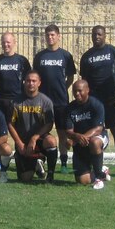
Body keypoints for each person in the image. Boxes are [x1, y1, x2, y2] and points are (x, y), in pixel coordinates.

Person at [79, 25, 115, 177]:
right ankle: (93, 167)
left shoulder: (113, 52)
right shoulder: (86, 56)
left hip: (110, 103)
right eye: (94, 34)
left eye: (99, 34)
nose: (97, 36)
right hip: (94, 105)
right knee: (92, 135)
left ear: (105, 35)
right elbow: (83, 82)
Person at [32, 24, 76, 174]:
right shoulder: (40, 56)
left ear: (58, 36)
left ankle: (63, 163)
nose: (50, 38)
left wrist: (63, 87)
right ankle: (42, 160)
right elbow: (35, 78)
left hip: (61, 101)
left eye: (53, 35)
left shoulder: (66, 55)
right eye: (47, 35)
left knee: (62, 132)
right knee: (42, 132)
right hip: (43, 102)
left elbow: (70, 77)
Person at [7, 70, 58, 183]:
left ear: (39, 83)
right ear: (24, 82)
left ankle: (50, 175)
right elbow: (10, 124)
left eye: (34, 81)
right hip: (23, 142)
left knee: (51, 141)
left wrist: (35, 137)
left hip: (39, 139)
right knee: (25, 179)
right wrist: (19, 143)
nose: (31, 83)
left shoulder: (46, 101)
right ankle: (37, 162)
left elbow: (49, 124)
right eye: (28, 81)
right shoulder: (15, 102)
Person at [65, 80, 110, 190]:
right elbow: (68, 131)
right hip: (79, 143)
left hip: (98, 138)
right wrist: (75, 137)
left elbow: (98, 129)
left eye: (80, 91)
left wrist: (82, 137)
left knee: (94, 142)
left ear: (87, 90)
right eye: (74, 91)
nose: (77, 94)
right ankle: (101, 170)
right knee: (83, 181)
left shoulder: (96, 105)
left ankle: (98, 178)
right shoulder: (70, 108)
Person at [0, 31, 31, 123]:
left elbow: (28, 81)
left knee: (19, 128)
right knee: (0, 129)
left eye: (8, 42)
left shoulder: (22, 60)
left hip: (18, 100)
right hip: (0, 100)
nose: (6, 44)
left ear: (14, 43)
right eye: (3, 42)